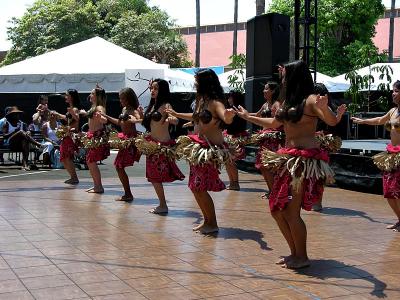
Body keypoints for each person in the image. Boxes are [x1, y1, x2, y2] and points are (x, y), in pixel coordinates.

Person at [235, 60, 344, 268]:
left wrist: (327, 109)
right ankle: (294, 253)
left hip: (302, 162)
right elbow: (274, 124)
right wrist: (248, 116)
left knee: (291, 212)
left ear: (294, 75)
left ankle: (301, 257)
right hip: (287, 159)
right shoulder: (287, 101)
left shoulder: (312, 100)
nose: (282, 78)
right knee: (277, 210)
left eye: (284, 74)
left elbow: (331, 122)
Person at [167, 69, 236, 234]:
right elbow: (195, 117)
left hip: (209, 149)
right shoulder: (201, 101)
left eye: (197, 80)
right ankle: (207, 220)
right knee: (195, 187)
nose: (195, 83)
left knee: (199, 187)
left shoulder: (215, 103)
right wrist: (176, 114)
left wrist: (229, 115)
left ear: (205, 83)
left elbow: (224, 117)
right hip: (198, 148)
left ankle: (212, 223)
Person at [352, 80, 400, 231]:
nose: (393, 93)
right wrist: (363, 121)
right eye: (393, 90)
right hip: (392, 155)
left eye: (396, 91)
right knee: (389, 191)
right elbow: (380, 120)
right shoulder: (393, 111)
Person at [136, 79, 184, 214]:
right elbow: (149, 124)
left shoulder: (165, 105)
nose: (152, 90)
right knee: (153, 176)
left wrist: (172, 119)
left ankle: (163, 205)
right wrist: (140, 115)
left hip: (162, 146)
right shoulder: (152, 106)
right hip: (152, 145)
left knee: (155, 176)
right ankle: (162, 204)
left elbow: (175, 118)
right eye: (151, 88)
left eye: (155, 88)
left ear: (162, 90)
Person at [103, 88, 142, 202]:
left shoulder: (133, 110)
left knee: (119, 166)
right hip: (124, 140)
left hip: (130, 141)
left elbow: (139, 120)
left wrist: (138, 116)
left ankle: (128, 194)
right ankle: (127, 193)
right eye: (120, 98)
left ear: (128, 99)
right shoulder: (124, 109)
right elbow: (120, 123)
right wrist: (107, 117)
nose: (120, 100)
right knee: (119, 167)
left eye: (122, 98)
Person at [312, 83, 346, 211]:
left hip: (320, 144)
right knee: (311, 174)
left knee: (319, 173)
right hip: (310, 143)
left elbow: (333, 122)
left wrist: (339, 115)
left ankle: (317, 202)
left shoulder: (325, 108)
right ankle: (311, 200)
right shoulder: (311, 107)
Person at [249, 81, 284, 198]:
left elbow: (279, 119)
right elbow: (257, 115)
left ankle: (276, 192)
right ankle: (272, 191)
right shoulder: (265, 105)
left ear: (273, 91)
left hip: (273, 139)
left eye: (266, 89)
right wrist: (242, 114)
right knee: (263, 167)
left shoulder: (276, 104)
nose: (264, 91)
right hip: (264, 139)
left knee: (269, 166)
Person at [80, 86, 110, 193]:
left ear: (97, 96)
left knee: (91, 162)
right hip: (92, 136)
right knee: (90, 162)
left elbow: (104, 119)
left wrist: (100, 118)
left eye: (92, 93)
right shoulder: (94, 107)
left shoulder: (99, 107)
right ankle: (96, 185)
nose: (90, 95)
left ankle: (99, 186)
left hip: (97, 138)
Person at [53, 89, 81, 184]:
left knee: (67, 157)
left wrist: (72, 113)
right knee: (64, 157)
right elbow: (67, 118)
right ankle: (73, 177)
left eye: (67, 95)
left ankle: (74, 177)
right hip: (67, 135)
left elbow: (77, 118)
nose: (65, 97)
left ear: (71, 97)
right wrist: (57, 114)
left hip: (71, 136)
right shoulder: (71, 108)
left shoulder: (75, 109)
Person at [224, 91, 249, 191]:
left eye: (230, 97)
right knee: (227, 162)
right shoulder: (233, 109)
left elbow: (236, 126)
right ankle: (232, 182)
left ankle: (235, 183)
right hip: (229, 136)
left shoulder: (238, 110)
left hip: (235, 138)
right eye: (228, 97)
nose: (229, 99)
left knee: (231, 162)